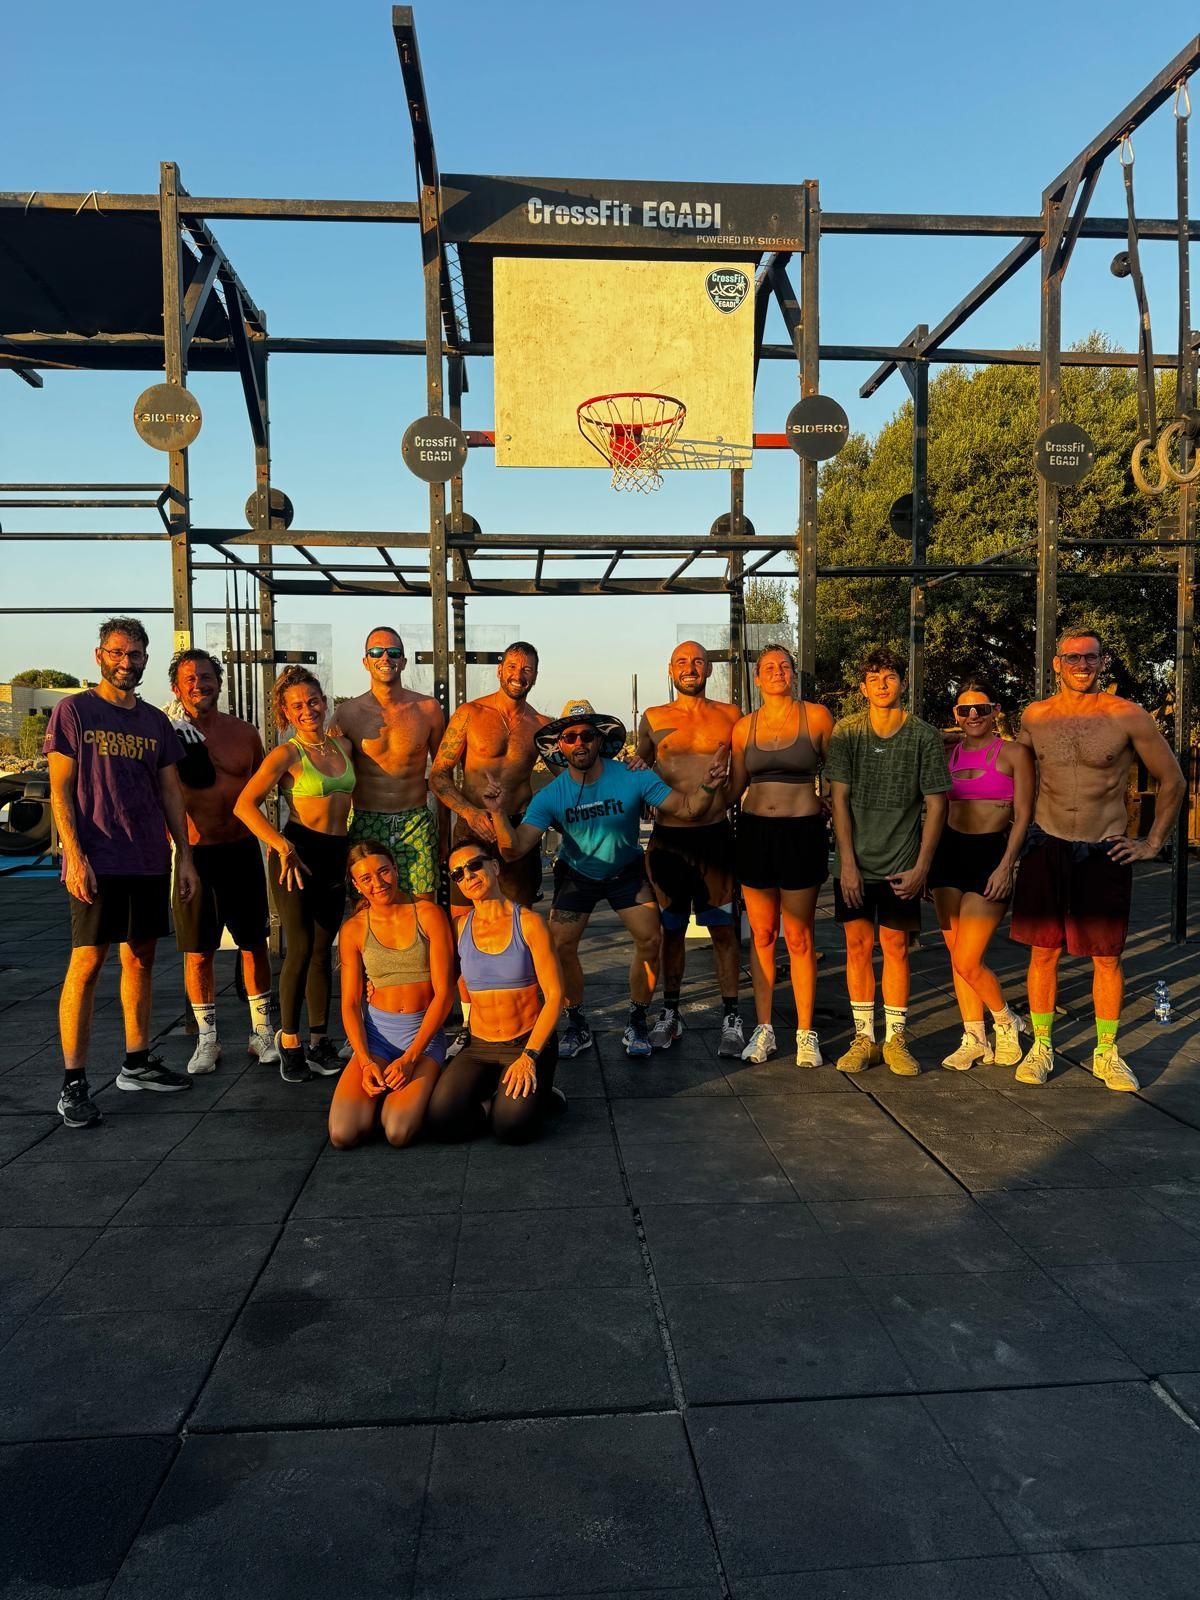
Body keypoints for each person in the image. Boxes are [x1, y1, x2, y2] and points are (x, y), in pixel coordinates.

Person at [483, 698, 726, 1059]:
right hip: (578, 873)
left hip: (625, 869)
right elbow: (514, 850)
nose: (579, 743)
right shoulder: (551, 795)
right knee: (560, 945)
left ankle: (637, 1019)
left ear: (599, 741)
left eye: (586, 736)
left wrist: (707, 785)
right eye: (570, 737)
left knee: (650, 938)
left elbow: (689, 809)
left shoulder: (632, 775)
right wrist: (499, 814)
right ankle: (577, 1023)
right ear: (559, 746)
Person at [1010, 624, 1186, 1091]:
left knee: (1106, 957)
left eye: (1091, 658)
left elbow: (1174, 780)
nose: (1082, 666)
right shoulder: (1035, 716)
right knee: (1042, 953)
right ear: (1057, 663)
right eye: (1073, 658)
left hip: (1103, 849)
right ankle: (1042, 1045)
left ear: (1102, 662)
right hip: (1047, 844)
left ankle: (1107, 1052)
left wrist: (1151, 842)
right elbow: (1016, 773)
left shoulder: (1127, 716)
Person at [45, 617, 199, 1128]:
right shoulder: (75, 711)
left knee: (141, 959)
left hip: (147, 859)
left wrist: (185, 858)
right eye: (118, 652)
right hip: (97, 860)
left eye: (135, 654)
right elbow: (60, 791)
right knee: (87, 965)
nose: (126, 662)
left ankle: (136, 1062)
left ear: (145, 660)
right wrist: (75, 856)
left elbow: (171, 792)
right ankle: (73, 1083)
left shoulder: (155, 721)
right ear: (99, 656)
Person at [827, 647, 951, 1076]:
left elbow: (937, 805)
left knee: (896, 947)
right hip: (856, 864)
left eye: (890, 676)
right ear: (862, 688)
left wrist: (922, 867)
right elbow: (838, 800)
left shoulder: (923, 735)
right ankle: (864, 1037)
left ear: (903, 682)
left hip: (902, 863)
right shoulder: (846, 732)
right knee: (857, 947)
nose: (882, 683)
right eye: (874, 677)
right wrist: (846, 863)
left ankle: (895, 1038)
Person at [234, 667, 355, 1083]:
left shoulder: (343, 745)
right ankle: (289, 1042)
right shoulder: (286, 754)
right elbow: (245, 805)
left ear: (325, 700)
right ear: (285, 712)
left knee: (325, 952)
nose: (308, 710)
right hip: (296, 856)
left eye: (314, 701)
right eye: (298, 705)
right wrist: (282, 846)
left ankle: (319, 1040)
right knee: (299, 949)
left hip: (336, 855)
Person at [165, 648, 278, 1074]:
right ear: (177, 687)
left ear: (220, 681)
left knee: (254, 944)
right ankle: (208, 1040)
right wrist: (179, 851)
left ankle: (262, 1033)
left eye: (207, 676)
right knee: (198, 951)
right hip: (195, 855)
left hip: (242, 850)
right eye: (190, 678)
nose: (200, 684)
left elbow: (262, 784)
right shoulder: (167, 735)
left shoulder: (244, 733)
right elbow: (158, 794)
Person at [726, 645, 835, 1067]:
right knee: (764, 935)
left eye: (784, 666)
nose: (776, 672)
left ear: (793, 674)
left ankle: (806, 1033)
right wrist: (698, 797)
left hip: (801, 834)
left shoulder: (817, 717)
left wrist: (830, 803)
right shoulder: (743, 728)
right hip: (754, 833)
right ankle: (765, 1028)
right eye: (768, 667)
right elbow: (734, 788)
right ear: (757, 678)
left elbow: (837, 773)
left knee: (801, 937)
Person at [634, 641, 742, 1057]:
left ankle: (732, 1016)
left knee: (723, 930)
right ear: (670, 669)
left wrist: (721, 800)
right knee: (671, 932)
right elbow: (637, 772)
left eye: (698, 661)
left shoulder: (731, 715)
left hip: (715, 837)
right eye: (682, 662)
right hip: (670, 841)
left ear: (709, 669)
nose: (690, 667)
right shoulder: (654, 718)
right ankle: (671, 1012)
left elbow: (745, 771)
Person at [425, 842, 564, 1143]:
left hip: (526, 1043)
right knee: (440, 1119)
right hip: (480, 1047)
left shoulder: (528, 923)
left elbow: (555, 996)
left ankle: (538, 1095)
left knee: (512, 1129)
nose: (468, 875)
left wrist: (530, 1056)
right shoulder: (459, 927)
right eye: (458, 873)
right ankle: (497, 1100)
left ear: (495, 867)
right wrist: (375, 987)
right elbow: (437, 984)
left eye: (475, 865)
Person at [929, 681, 1033, 1072]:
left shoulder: (1014, 754)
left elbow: (1023, 816)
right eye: (964, 711)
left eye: (982, 709)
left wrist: (1008, 864)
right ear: (954, 715)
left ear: (996, 711)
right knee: (958, 959)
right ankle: (974, 1037)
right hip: (948, 856)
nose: (973, 716)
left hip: (991, 854)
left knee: (971, 959)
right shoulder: (946, 755)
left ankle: (1006, 1022)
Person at [329, 843, 454, 1149]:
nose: (378, 883)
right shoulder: (354, 929)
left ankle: (417, 1090)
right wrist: (365, 1059)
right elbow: (348, 1003)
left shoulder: (428, 914)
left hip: (421, 1040)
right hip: (377, 1039)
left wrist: (410, 1059)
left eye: (383, 871)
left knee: (398, 1132)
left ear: (396, 869)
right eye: (366, 878)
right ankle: (383, 1097)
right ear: (356, 885)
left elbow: (445, 993)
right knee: (342, 1134)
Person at [430, 640, 550, 908]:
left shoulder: (541, 726)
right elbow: (438, 775)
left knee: (518, 918)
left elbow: (570, 775)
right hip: (473, 826)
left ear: (536, 676)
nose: (518, 676)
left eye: (527, 670)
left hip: (517, 830)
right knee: (462, 916)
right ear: (499, 670)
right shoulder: (470, 714)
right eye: (512, 666)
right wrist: (469, 813)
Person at [332, 627, 445, 899]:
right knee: (369, 909)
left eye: (394, 652)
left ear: (404, 661)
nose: (386, 658)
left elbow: (443, 777)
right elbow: (333, 779)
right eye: (376, 652)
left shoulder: (428, 709)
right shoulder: (347, 714)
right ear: (365, 661)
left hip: (415, 820)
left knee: (423, 906)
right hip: (366, 820)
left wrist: (444, 834)